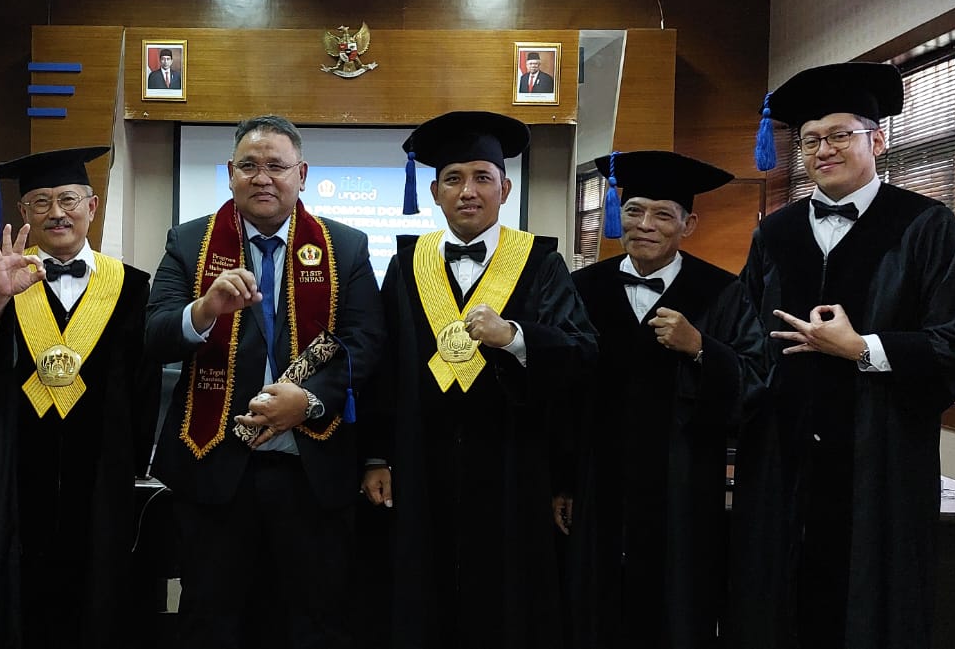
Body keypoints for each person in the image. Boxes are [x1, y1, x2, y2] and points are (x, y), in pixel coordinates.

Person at [735, 62, 955, 649]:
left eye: (840, 135)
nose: (823, 150)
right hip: (784, 452)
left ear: (877, 139)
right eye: (811, 140)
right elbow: (746, 334)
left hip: (881, 455)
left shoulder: (925, 225)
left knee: (873, 603)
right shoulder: (775, 232)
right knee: (782, 596)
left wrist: (862, 348)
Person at [145, 114, 384, 649]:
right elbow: (156, 334)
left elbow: (368, 341)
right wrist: (203, 310)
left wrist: (308, 400)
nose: (262, 177)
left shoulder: (345, 246)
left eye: (276, 165)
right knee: (212, 619)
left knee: (315, 621)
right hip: (214, 470)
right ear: (229, 173)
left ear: (301, 173)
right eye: (249, 165)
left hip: (312, 471)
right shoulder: (189, 243)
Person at [362, 110, 597, 649]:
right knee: (423, 590)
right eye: (454, 179)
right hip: (421, 461)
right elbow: (382, 365)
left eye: (482, 177)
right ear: (436, 192)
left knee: (509, 599)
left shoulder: (540, 263)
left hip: (514, 460)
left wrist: (515, 335)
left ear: (505, 188)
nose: (468, 191)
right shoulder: (406, 264)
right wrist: (376, 456)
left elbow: (582, 354)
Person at [0, 146, 157, 649]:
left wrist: (130, 459)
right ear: (22, 214)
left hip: (102, 472)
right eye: (40, 202)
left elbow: (147, 387)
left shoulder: (132, 288)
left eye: (67, 199)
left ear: (92, 206)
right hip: (13, 468)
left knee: (99, 590)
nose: (56, 213)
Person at [564, 151, 768, 649]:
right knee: (596, 603)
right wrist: (563, 480)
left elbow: (757, 379)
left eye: (663, 214)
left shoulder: (723, 292)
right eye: (633, 210)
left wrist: (702, 349)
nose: (645, 225)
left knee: (678, 604)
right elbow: (563, 392)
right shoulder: (582, 287)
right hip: (599, 477)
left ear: (688, 223)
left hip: (683, 478)